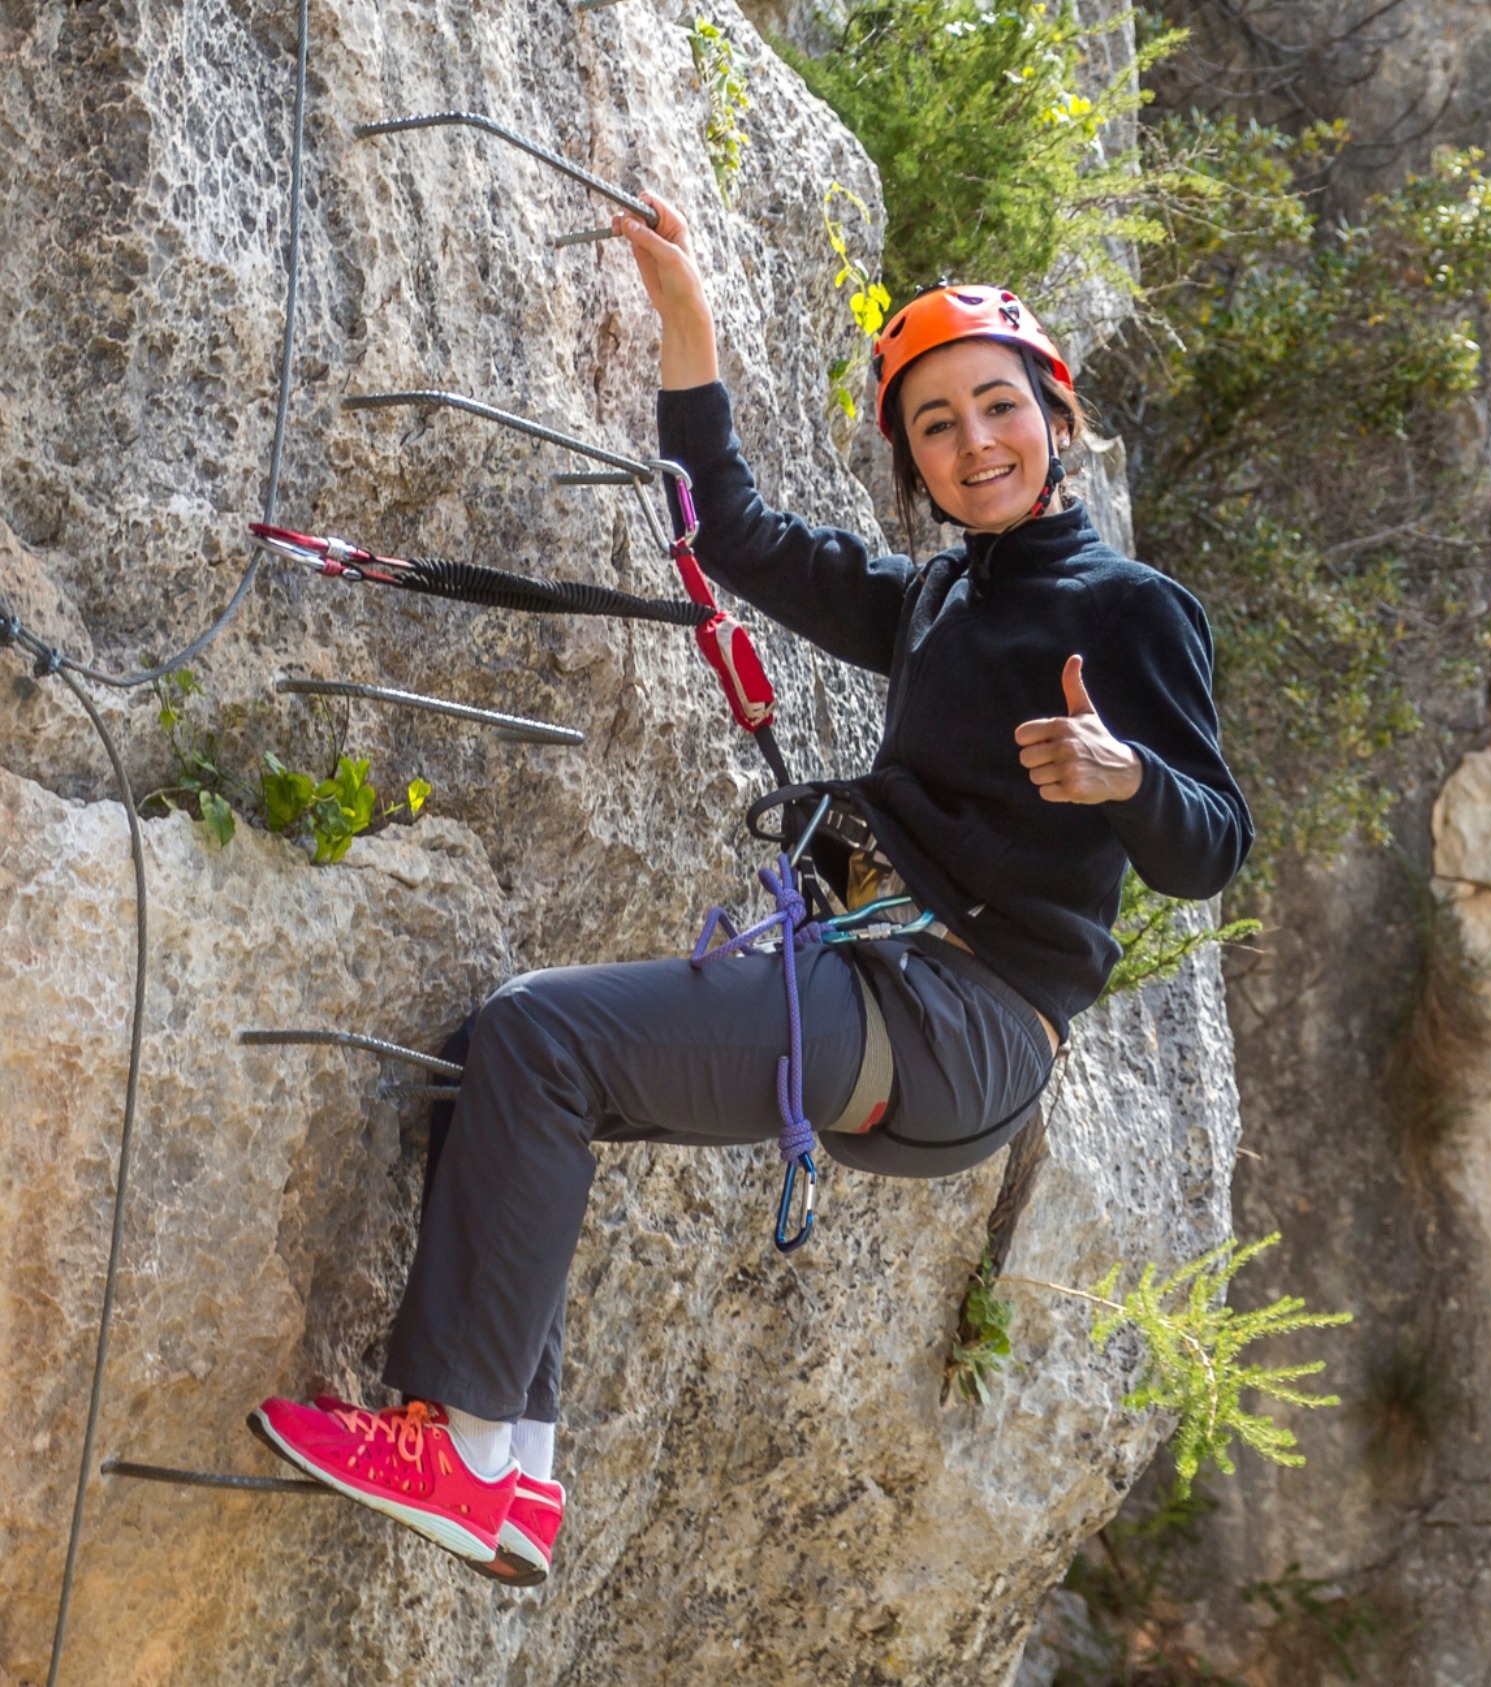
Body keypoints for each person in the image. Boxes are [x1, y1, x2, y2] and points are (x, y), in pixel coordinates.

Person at [246, 192, 1251, 1585]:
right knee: (501, 1064)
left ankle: (459, 1448)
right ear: (911, 462)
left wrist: (1123, 775)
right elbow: (732, 530)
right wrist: (684, 319)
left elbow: (1212, 846)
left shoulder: (1129, 608)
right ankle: (514, 1473)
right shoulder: (932, 604)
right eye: (937, 426)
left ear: (1056, 418)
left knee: (544, 1034)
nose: (976, 443)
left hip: (965, 1016)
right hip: (909, 999)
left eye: (998, 407)